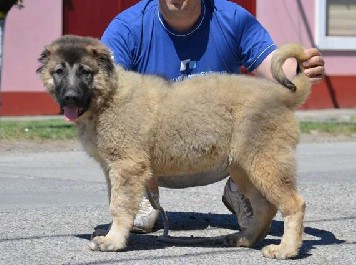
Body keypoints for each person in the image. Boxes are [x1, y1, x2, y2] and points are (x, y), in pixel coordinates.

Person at [101, 0, 325, 233]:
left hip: (218, 151)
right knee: (124, 130)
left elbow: (274, 70)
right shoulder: (127, 26)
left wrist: (300, 70)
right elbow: (106, 89)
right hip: (155, 160)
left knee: (254, 128)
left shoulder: (233, 18)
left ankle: (242, 190)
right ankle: (143, 199)